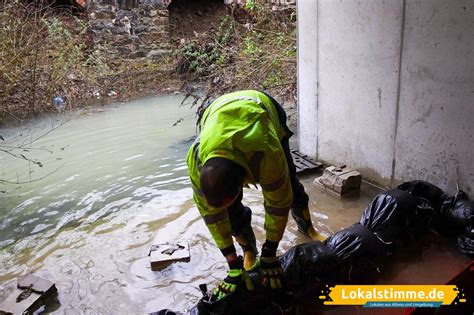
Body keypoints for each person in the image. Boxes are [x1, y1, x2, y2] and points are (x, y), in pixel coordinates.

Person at [186, 90, 324, 300]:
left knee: (292, 187)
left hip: (262, 107)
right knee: (230, 214)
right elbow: (212, 217)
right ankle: (248, 251)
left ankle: (308, 228)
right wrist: (233, 264)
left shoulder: (267, 153)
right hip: (216, 112)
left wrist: (270, 252)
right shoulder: (196, 162)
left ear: (242, 184)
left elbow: (278, 203)